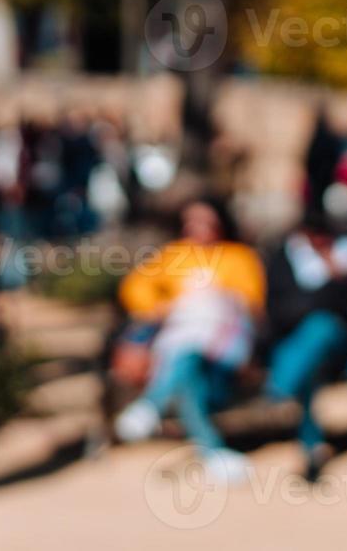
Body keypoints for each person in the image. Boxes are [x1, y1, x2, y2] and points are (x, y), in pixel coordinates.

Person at [114, 200, 266, 483]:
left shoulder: (238, 256)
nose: (196, 228)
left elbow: (251, 301)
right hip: (181, 344)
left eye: (204, 221)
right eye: (191, 222)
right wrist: (163, 306)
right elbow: (135, 287)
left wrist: (212, 298)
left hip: (222, 349)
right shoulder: (175, 255)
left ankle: (151, 405)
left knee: (189, 357)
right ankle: (213, 452)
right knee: (188, 376)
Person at [261, 215, 347, 480]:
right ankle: (311, 452)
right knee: (308, 370)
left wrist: (332, 273)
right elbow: (277, 308)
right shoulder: (284, 258)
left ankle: (279, 389)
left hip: (335, 346)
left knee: (319, 328)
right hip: (296, 346)